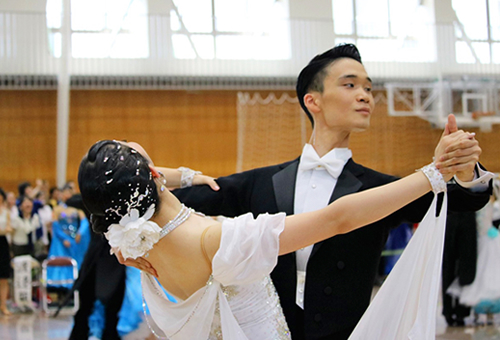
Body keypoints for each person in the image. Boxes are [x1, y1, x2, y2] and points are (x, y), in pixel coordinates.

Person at [160, 44, 492, 339]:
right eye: (350, 85)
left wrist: (465, 172)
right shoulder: (259, 183)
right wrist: (172, 177)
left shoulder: (382, 189)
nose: (365, 95)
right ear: (312, 100)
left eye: (368, 88)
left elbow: (465, 199)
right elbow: (176, 203)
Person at [80, 132, 473, 340]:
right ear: (152, 176)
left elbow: (125, 190)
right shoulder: (216, 238)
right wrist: (431, 174)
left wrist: (185, 175)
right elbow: (338, 218)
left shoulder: (130, 239)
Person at [0, 188, 13, 315]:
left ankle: (3, 305)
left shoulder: (6, 212)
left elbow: (9, 228)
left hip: (3, 243)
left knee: (4, 276)